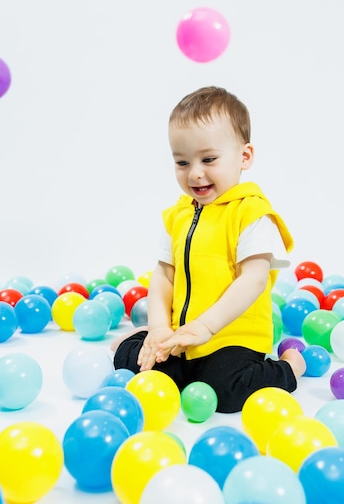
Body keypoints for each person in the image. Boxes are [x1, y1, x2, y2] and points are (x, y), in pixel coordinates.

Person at [113, 86, 306, 413]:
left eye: (209, 159)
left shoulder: (251, 213)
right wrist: (161, 328)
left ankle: (289, 368)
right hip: (181, 336)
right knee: (143, 368)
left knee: (224, 392)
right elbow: (164, 275)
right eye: (182, 162)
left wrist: (205, 327)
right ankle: (141, 336)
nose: (195, 173)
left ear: (244, 157)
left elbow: (254, 279)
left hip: (231, 337)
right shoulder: (178, 215)